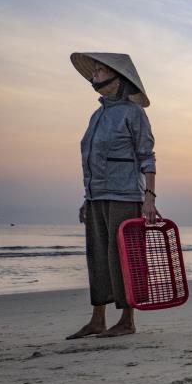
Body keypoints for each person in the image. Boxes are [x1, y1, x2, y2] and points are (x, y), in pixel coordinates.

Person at [66, 53, 159, 339]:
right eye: (93, 70)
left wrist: (149, 197)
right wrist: (87, 197)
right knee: (98, 257)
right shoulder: (97, 115)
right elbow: (93, 160)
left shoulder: (134, 113)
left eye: (100, 70)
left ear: (118, 79)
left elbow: (147, 156)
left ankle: (127, 320)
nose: (94, 74)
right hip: (97, 196)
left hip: (124, 195)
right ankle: (97, 319)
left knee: (122, 258)